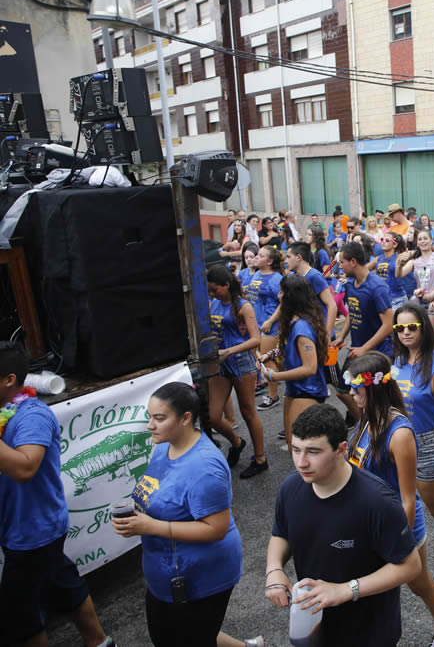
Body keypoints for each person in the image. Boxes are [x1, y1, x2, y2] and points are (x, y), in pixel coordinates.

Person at [265, 404, 421, 646]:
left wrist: (346, 590)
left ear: (341, 450)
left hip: (369, 632)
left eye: (313, 452)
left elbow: (410, 566)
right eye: (296, 450)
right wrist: (274, 569)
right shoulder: (290, 489)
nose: (301, 462)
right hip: (315, 625)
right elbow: (281, 532)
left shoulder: (377, 502)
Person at [0, 342, 115, 647]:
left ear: (9, 380)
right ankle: (101, 642)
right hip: (25, 525)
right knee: (64, 585)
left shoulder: (31, 416)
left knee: (21, 618)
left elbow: (25, 468)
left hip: (33, 529)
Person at [112, 382, 244, 646]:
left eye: (159, 418)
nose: (150, 425)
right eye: (149, 417)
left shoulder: (206, 468)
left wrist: (150, 527)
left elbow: (216, 529)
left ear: (186, 418)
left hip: (201, 578)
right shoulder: (164, 446)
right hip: (166, 574)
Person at [345, 353, 434, 646]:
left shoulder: (400, 433)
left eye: (355, 387)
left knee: (420, 585)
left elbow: (408, 498)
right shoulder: (367, 418)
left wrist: (396, 540)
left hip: (398, 524)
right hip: (370, 523)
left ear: (372, 388)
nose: (351, 393)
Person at [391, 304, 434, 591]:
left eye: (412, 327)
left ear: (423, 328)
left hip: (428, 446)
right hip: (399, 443)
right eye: (400, 328)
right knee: (404, 505)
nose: (406, 333)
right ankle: (413, 559)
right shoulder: (397, 361)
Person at [206, 266, 268, 478]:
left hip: (241, 363)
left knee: (248, 412)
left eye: (215, 290)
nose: (212, 294)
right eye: (210, 291)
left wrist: (228, 351)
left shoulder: (244, 306)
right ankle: (237, 442)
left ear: (226, 285)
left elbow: (255, 339)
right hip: (220, 364)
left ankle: (260, 459)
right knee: (213, 416)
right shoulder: (213, 303)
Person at [258, 274, 330, 442]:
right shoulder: (294, 321)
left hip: (307, 391)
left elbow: (309, 368)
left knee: (300, 446)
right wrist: (270, 355)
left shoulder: (302, 328)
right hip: (295, 389)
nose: (278, 295)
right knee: (293, 444)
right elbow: (288, 348)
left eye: (281, 292)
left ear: (290, 296)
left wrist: (274, 376)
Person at [248, 246, 285, 411]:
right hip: (256, 324)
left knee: (268, 360)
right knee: (267, 360)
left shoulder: (276, 279)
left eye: (260, 256)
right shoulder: (256, 274)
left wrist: (270, 321)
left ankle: (273, 396)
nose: (256, 257)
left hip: (270, 326)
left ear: (269, 261)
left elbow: (284, 303)